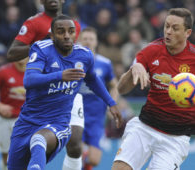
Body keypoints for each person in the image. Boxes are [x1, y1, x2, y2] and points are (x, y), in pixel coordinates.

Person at [112, 8, 195, 170]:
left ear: (187, 32)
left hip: (175, 138)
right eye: (166, 26)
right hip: (144, 127)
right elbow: (122, 89)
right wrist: (133, 69)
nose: (168, 32)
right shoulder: (151, 50)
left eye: (175, 28)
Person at [7, 15, 122, 170]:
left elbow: (93, 79)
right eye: (61, 32)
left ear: (76, 34)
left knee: (39, 140)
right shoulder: (41, 49)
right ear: (52, 35)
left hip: (57, 122)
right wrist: (60, 76)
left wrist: (111, 103)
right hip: (28, 121)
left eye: (71, 31)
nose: (67, 35)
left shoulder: (84, 55)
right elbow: (29, 80)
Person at [7, 1, 85, 169]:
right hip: (43, 91)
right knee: (30, 145)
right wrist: (41, 46)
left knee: (76, 142)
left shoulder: (74, 25)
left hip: (67, 89)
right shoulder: (34, 23)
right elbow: (12, 53)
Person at [76, 27, 119, 170]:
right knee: (77, 152)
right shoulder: (73, 61)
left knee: (94, 160)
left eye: (91, 39)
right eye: (85, 39)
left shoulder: (104, 63)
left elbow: (114, 85)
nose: (88, 42)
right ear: (79, 42)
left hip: (96, 115)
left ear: (96, 42)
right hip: (77, 113)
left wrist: (111, 103)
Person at [0, 58, 28, 170]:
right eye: (18, 54)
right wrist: (0, 106)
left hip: (26, 121)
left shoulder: (36, 73)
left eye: (24, 54)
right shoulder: (3, 71)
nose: (21, 57)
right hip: (5, 119)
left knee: (24, 156)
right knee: (7, 157)